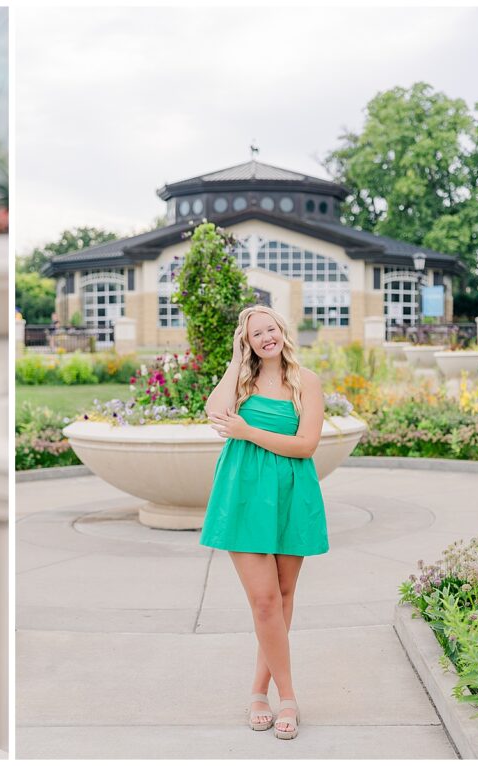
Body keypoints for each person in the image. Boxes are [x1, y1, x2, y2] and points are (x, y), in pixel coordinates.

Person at [198, 304, 328, 741]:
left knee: (284, 595)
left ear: (281, 331)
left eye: (270, 329)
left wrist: (248, 430)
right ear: (248, 341)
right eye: (256, 334)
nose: (266, 338)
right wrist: (236, 360)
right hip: (244, 495)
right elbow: (214, 412)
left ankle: (258, 690)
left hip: (291, 492)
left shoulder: (305, 382)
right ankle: (287, 697)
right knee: (265, 601)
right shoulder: (242, 380)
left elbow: (306, 444)